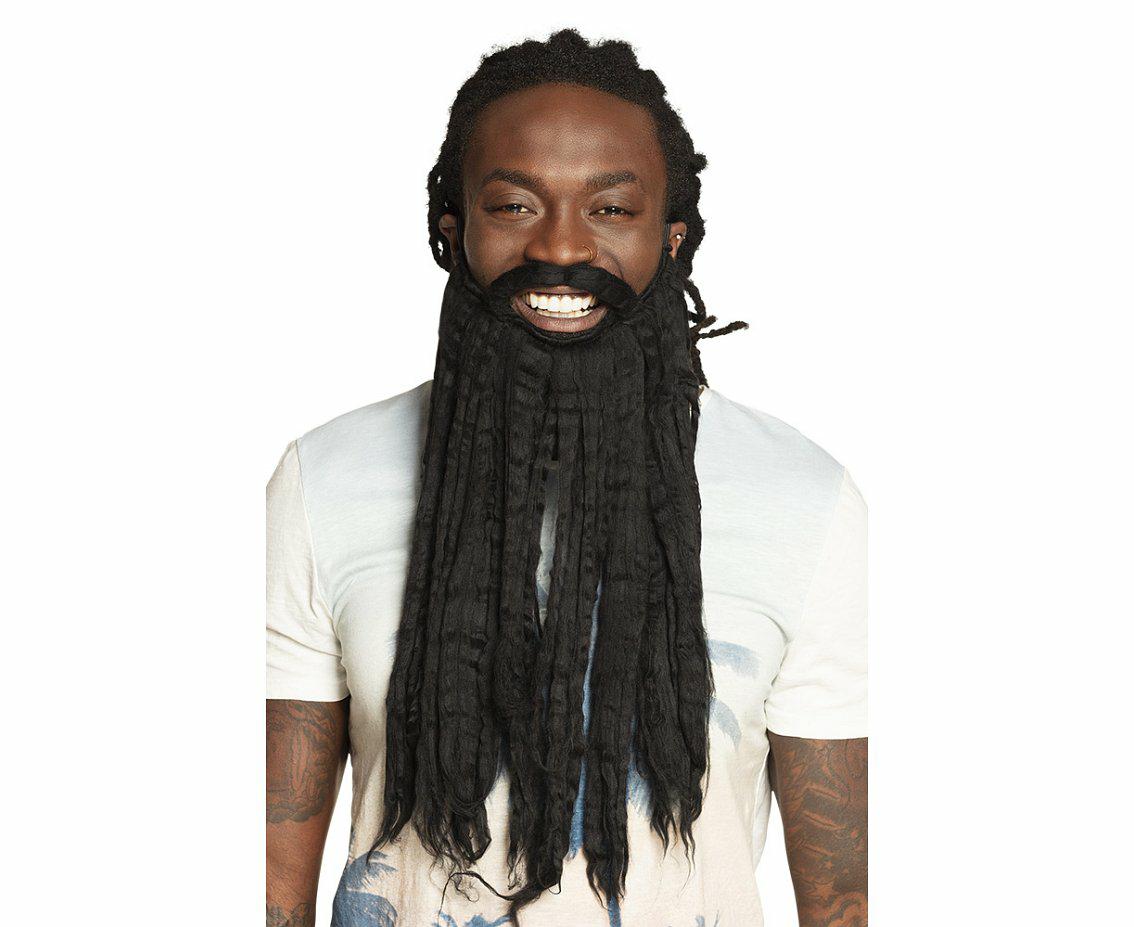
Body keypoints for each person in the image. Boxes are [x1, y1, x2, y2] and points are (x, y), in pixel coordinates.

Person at [267, 28, 867, 927]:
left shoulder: (806, 499)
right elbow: (269, 876)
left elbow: (844, 895)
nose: (560, 245)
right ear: (453, 230)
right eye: (513, 205)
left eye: (611, 208)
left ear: (672, 238)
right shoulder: (323, 479)